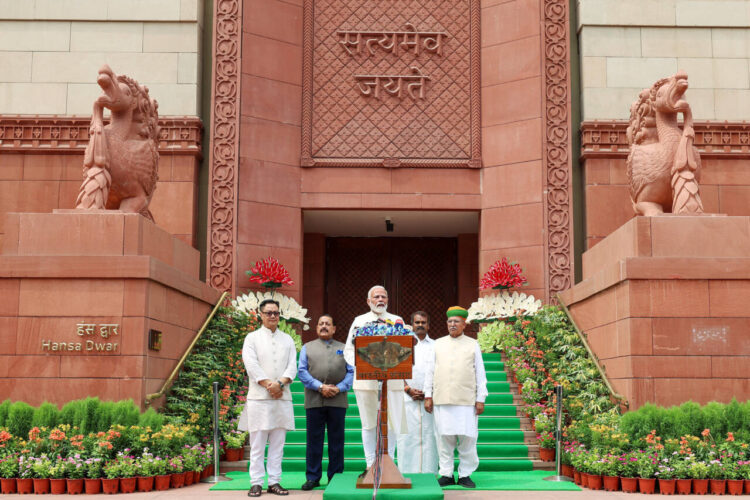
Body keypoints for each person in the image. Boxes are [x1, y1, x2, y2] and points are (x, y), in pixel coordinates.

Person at [343, 285, 407, 473]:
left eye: (384, 296)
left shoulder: (397, 321)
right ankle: (371, 465)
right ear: (368, 301)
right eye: (376, 296)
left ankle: (390, 464)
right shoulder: (359, 321)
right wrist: (362, 365)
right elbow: (349, 350)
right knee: (369, 423)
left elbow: (407, 349)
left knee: (393, 422)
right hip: (366, 381)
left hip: (393, 381)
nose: (380, 299)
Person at [424, 306, 487, 489]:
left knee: (467, 438)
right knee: (444, 439)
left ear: (464, 325)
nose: (452, 325)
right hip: (442, 399)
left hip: (466, 400)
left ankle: (465, 474)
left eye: (456, 322)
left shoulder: (472, 344)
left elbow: (480, 373)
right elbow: (430, 371)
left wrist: (480, 398)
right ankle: (446, 473)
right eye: (450, 322)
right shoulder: (437, 344)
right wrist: (428, 395)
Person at [241, 299, 297, 497]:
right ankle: (256, 482)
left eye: (276, 313)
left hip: (282, 397)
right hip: (259, 398)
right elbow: (251, 365)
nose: (273, 316)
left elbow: (292, 366)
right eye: (269, 312)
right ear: (261, 315)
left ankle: (274, 482)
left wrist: (280, 384)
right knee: (257, 444)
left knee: (278, 444)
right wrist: (269, 386)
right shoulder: (252, 338)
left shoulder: (287, 339)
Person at [297, 314, 354, 490]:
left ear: (334, 328)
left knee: (336, 440)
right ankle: (313, 477)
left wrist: (339, 388)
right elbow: (302, 371)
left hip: (337, 400)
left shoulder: (345, 349)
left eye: (327, 324)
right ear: (316, 328)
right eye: (320, 323)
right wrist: (320, 387)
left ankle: (335, 477)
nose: (324, 326)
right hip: (314, 399)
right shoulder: (307, 347)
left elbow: (352, 371)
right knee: (314, 440)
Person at [397, 311, 438, 474]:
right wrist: (407, 389)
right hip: (406, 397)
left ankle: (430, 473)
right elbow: (395, 370)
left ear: (428, 325)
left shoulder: (436, 346)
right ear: (412, 324)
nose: (420, 325)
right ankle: (405, 472)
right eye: (417, 322)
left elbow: (439, 371)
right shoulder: (402, 345)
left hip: (430, 399)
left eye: (423, 322)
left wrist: (429, 392)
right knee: (406, 437)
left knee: (430, 437)